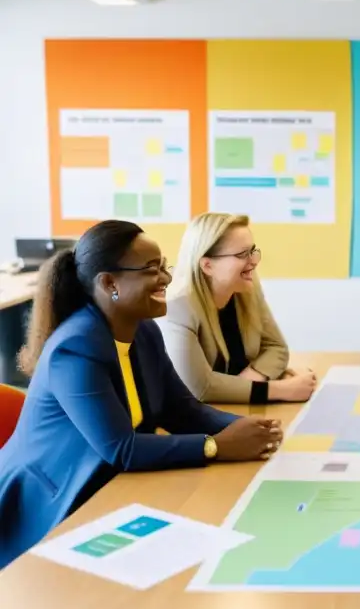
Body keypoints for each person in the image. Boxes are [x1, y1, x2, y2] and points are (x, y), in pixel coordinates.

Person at [0, 220, 282, 569]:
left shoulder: (144, 331)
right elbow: (121, 448)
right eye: (152, 269)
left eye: (164, 266)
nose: (166, 278)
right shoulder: (74, 349)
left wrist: (249, 430)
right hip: (50, 506)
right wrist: (218, 445)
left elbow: (182, 410)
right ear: (109, 283)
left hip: (112, 486)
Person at [159, 213, 316, 404]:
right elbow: (198, 388)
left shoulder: (246, 286)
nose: (254, 261)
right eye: (242, 254)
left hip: (232, 410)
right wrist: (280, 390)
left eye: (253, 251)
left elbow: (276, 348)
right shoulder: (177, 305)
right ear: (207, 265)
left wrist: (248, 381)